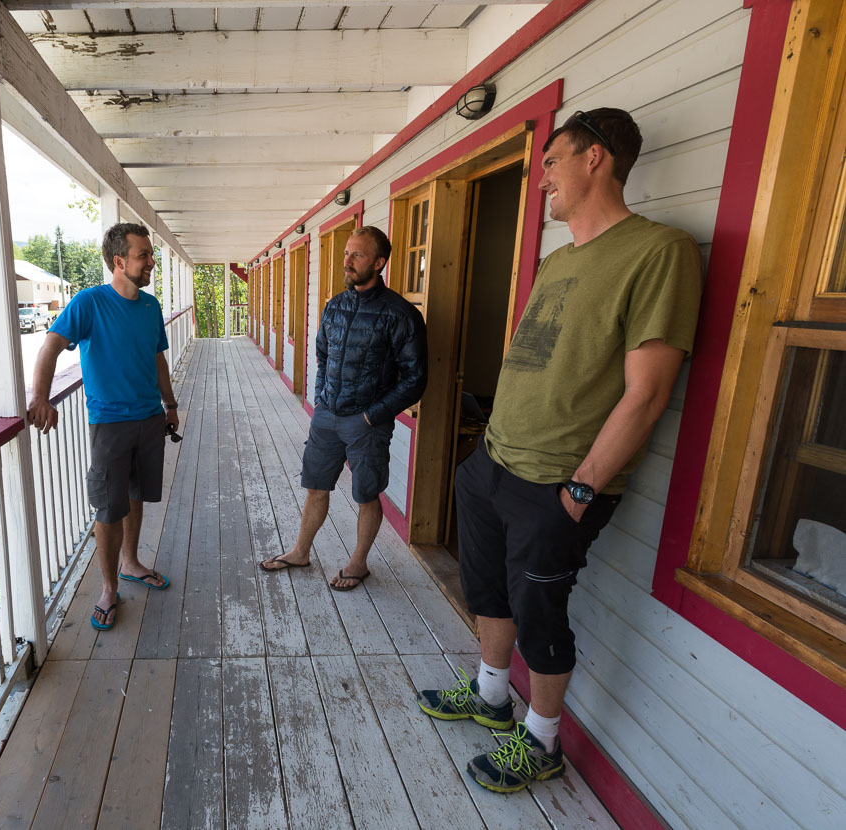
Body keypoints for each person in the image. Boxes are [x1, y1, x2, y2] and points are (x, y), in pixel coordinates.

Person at [418, 108, 702, 794]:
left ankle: (541, 742)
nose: (538, 175)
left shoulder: (658, 252)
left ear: (594, 159)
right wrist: (480, 454)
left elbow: (646, 392)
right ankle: (490, 695)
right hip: (492, 461)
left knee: (541, 614)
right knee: (486, 589)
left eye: (550, 160)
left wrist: (580, 491)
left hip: (556, 483)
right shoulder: (556, 260)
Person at [27, 222, 178, 631]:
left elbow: (158, 359)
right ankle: (109, 588)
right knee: (109, 507)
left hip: (149, 418)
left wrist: (170, 404)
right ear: (119, 261)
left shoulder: (150, 307)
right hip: (110, 423)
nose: (151, 262)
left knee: (136, 495)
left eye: (151, 254)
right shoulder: (90, 302)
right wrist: (40, 397)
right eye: (144, 255)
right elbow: (51, 346)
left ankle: (131, 562)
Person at [260, 226, 427, 590]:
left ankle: (359, 562)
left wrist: (371, 415)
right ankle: (300, 552)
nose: (347, 261)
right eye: (347, 253)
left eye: (358, 255)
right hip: (327, 416)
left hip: (367, 422)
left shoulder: (400, 314)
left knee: (366, 494)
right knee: (316, 487)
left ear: (379, 263)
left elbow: (415, 379)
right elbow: (322, 353)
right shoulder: (335, 305)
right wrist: (321, 397)